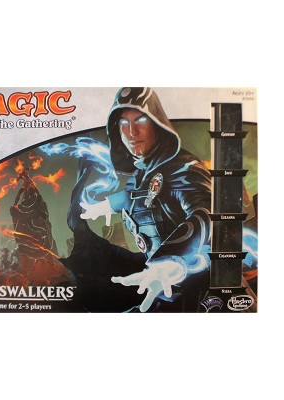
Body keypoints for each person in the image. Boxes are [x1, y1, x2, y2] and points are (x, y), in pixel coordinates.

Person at [80, 87, 211, 312]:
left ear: (157, 123)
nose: (132, 132)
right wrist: (109, 205)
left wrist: (170, 261)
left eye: (140, 120)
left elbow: (207, 212)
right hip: (164, 289)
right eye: (124, 122)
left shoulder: (183, 168)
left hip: (200, 292)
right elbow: (142, 196)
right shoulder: (141, 173)